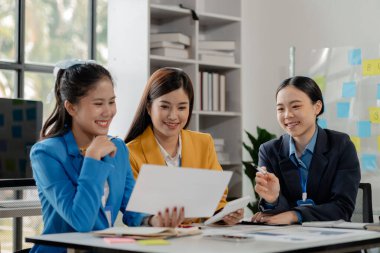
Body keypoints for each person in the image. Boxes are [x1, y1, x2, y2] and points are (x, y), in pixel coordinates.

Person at [30, 60, 183, 253]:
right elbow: (81, 221)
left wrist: (152, 220)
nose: (108, 112)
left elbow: (132, 206)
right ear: (71, 108)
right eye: (98, 104)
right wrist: (92, 158)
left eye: (112, 102)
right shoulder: (46, 153)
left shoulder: (117, 147)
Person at [125, 67, 243, 225]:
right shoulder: (130, 152)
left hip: (196, 239)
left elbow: (216, 198)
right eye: (165, 106)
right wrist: (154, 221)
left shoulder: (203, 143)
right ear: (148, 107)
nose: (173, 116)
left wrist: (223, 215)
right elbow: (132, 211)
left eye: (181, 107)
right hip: (154, 240)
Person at [252, 76, 361, 225]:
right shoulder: (269, 151)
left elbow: (342, 208)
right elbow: (276, 216)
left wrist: (295, 215)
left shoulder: (341, 145)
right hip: (288, 240)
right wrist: (273, 199)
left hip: (332, 241)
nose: (287, 115)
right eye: (280, 109)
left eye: (295, 106)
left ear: (317, 107)